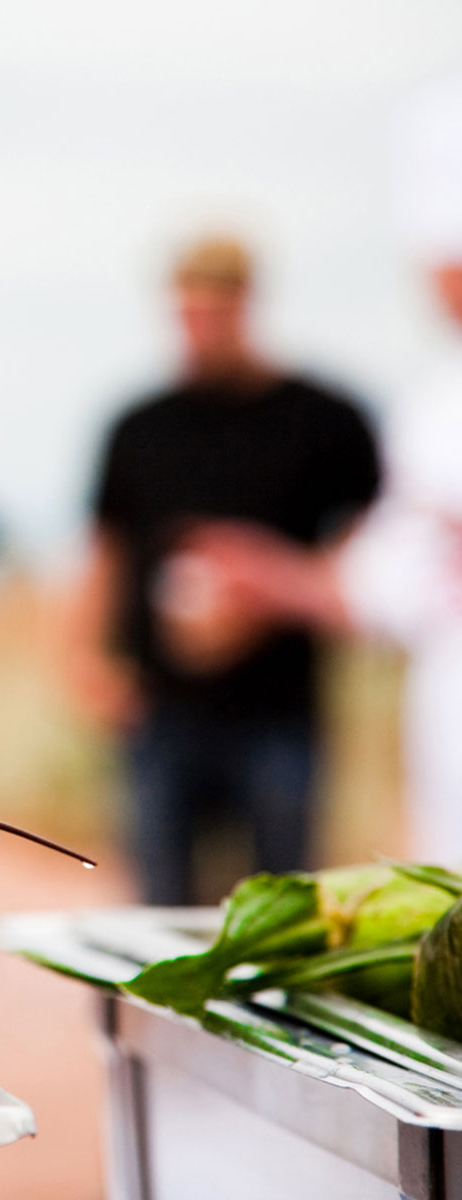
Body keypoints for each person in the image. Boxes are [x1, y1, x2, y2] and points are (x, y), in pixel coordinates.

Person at [176, 80, 462, 867]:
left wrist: (271, 579)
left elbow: (398, 579)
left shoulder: (364, 414)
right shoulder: (437, 400)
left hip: (289, 718)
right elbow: (394, 580)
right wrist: (272, 578)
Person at [68, 235, 381, 905]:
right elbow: (105, 549)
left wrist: (270, 591)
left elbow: (369, 545)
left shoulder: (325, 421)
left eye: (214, 309)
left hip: (278, 708)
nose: (199, 328)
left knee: (282, 908)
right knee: (158, 909)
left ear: (246, 303)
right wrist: (88, 661)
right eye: (188, 311)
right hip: (161, 707)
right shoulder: (140, 426)